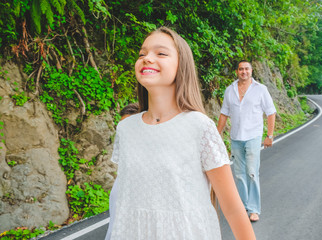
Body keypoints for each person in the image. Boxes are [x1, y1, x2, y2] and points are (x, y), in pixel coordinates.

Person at [105, 27, 256, 239]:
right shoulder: (126, 128)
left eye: (161, 53)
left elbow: (232, 208)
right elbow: (123, 200)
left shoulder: (200, 127)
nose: (147, 58)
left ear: (181, 66)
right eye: (142, 54)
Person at [217, 60, 276, 222]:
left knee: (251, 173)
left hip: (253, 137)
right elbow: (224, 114)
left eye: (247, 69)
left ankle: (254, 209)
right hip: (236, 138)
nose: (244, 71)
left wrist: (269, 136)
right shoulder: (230, 90)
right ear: (237, 71)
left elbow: (271, 113)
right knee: (239, 175)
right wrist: (217, 134)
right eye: (241, 69)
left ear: (251, 71)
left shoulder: (260, 90)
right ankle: (243, 207)